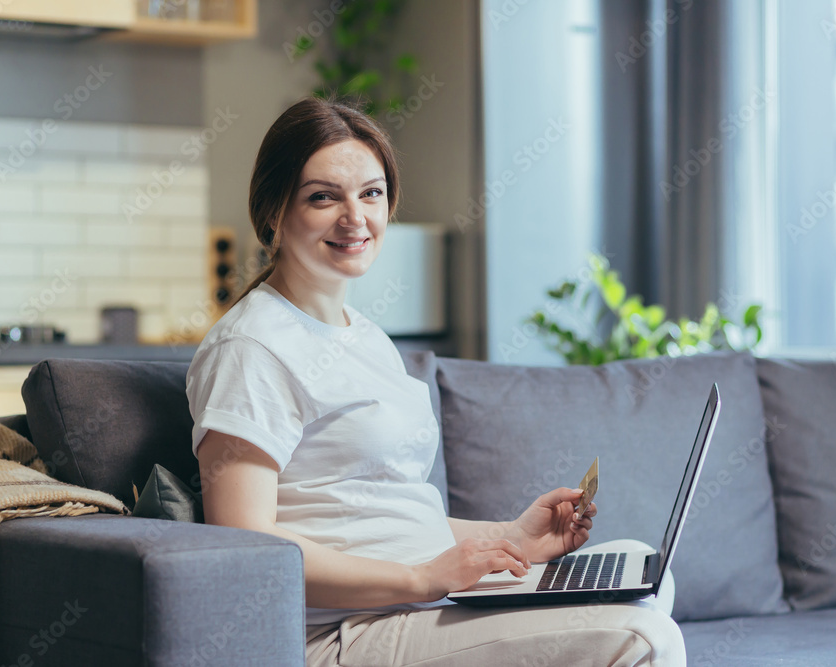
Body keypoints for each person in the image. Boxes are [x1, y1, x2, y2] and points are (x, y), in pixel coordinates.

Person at [186, 96, 686, 666]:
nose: (355, 217)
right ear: (274, 211)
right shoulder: (251, 347)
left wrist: (512, 538)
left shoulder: (366, 336)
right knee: (646, 637)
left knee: (644, 570)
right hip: (343, 632)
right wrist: (422, 578)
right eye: (323, 197)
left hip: (423, 603)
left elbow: (384, 511)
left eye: (371, 193)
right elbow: (249, 544)